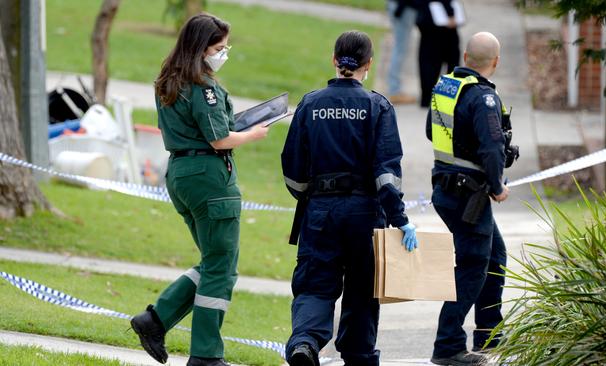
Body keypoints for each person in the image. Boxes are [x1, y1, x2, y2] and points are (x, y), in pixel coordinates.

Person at [130, 13, 269, 366]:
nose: (223, 53)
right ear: (200, 48)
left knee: (213, 260)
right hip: (209, 178)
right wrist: (253, 133)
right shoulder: (204, 87)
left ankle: (156, 320)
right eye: (219, 48)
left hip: (180, 173)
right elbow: (219, 138)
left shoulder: (167, 79)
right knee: (222, 266)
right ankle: (206, 355)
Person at [282, 31, 418, 366]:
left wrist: (311, 196)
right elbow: (387, 174)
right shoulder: (377, 106)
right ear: (369, 64)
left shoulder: (310, 104)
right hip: (365, 215)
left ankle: (304, 343)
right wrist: (400, 220)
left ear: (334, 59)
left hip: (320, 212)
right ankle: (358, 356)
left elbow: (293, 169)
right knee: (361, 292)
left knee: (315, 284)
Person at [425, 32, 516, 365]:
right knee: (473, 266)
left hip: (446, 189)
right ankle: (447, 345)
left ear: (465, 56)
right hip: (469, 194)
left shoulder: (445, 87)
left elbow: (430, 131)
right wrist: (497, 184)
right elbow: (492, 147)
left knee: (495, 254)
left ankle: (489, 332)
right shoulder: (483, 98)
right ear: (496, 62)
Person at [415, 0, 461, 108]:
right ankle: (427, 99)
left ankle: (449, 100)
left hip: (450, 37)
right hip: (431, 37)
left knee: (452, 68)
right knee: (428, 70)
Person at [386, 0, 418, 104]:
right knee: (400, 49)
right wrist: (400, 7)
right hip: (403, 7)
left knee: (400, 49)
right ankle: (394, 90)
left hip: (400, 6)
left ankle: (394, 88)